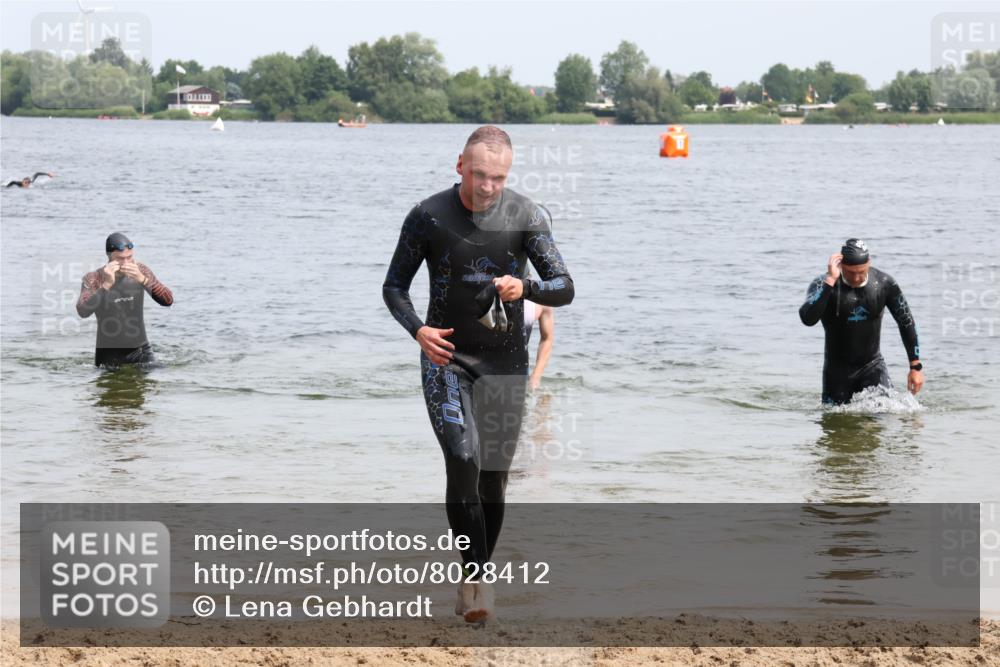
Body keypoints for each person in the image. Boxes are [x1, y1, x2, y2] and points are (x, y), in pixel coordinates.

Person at [383, 125, 574, 623]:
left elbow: (564, 287)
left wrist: (524, 286)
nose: (488, 185)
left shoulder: (526, 215)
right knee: (462, 457)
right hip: (445, 356)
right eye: (479, 174)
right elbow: (394, 288)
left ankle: (477, 572)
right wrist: (418, 331)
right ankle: (475, 581)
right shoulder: (428, 216)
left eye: (498, 177)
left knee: (493, 480)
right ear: (460, 166)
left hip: (506, 365)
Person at [799, 238, 923, 405]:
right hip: (837, 372)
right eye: (851, 272)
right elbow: (807, 319)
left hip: (873, 366)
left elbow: (906, 321)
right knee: (836, 425)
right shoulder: (823, 284)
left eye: (862, 271)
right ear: (841, 265)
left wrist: (915, 367)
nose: (857, 278)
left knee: (884, 417)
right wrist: (830, 281)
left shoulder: (884, 283)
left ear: (869, 262)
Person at [77, 232, 173, 367]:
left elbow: (168, 300)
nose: (126, 263)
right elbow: (82, 311)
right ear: (109, 257)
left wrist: (143, 280)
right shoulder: (95, 278)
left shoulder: (141, 271)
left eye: (130, 257)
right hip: (108, 355)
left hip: (141, 351)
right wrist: (107, 285)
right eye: (120, 259)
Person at [523, 296, 554, 391]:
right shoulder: (486, 291)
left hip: (520, 369)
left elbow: (547, 339)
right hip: (481, 367)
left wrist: (536, 376)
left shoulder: (541, 299)